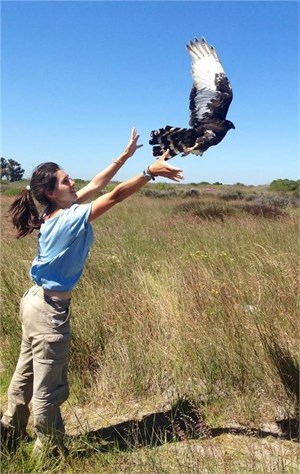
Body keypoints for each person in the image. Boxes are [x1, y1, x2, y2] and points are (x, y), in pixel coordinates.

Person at [1, 128, 184, 456]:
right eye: (66, 181)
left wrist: (124, 156)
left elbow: (99, 185)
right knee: (48, 387)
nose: (72, 183)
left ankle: (7, 431)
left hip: (34, 302)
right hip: (48, 313)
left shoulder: (52, 211)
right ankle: (50, 452)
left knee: (25, 371)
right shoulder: (68, 219)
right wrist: (146, 172)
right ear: (52, 191)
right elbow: (113, 197)